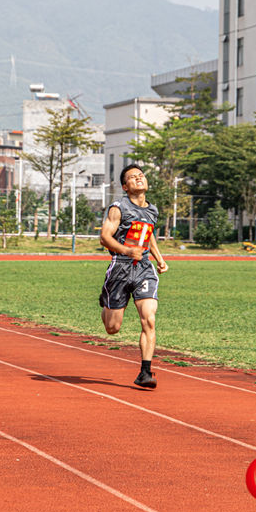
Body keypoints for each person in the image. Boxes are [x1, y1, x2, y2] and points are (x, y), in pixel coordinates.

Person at [99, 164, 168, 389]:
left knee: (149, 318)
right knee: (113, 328)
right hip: (120, 267)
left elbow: (149, 235)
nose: (139, 179)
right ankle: (107, 301)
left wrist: (159, 258)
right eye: (133, 177)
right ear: (125, 186)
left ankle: (145, 372)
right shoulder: (118, 208)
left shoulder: (152, 210)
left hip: (144, 268)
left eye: (141, 175)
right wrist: (127, 251)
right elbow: (104, 238)